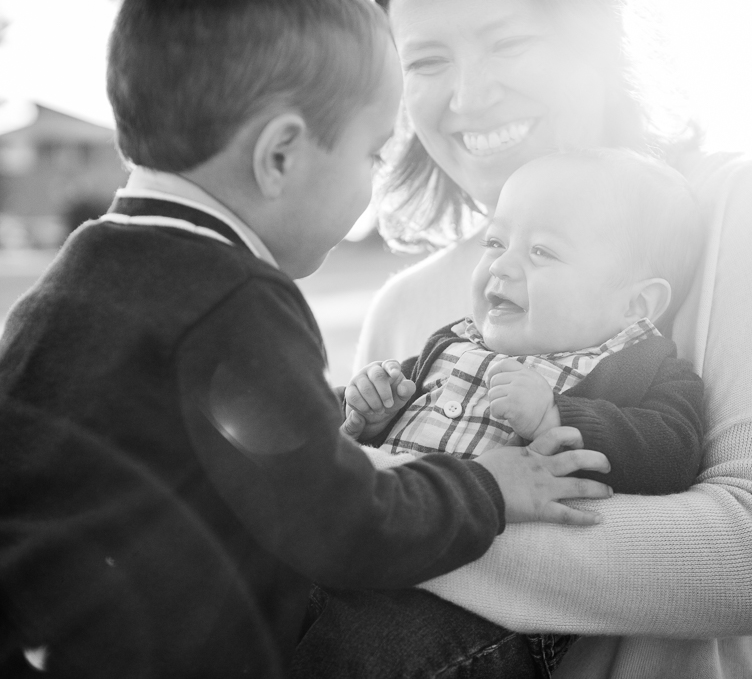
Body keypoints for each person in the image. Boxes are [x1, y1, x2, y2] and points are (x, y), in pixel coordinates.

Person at [0, 0, 619, 678]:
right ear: (280, 155)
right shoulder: (235, 297)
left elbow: (222, 448)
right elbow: (341, 522)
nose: (372, 185)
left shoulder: (92, 264)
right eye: (371, 153)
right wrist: (489, 486)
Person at [325, 0, 752, 677]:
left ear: (597, 34)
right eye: (428, 60)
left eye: (507, 44)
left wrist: (376, 509)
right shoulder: (406, 307)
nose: (469, 95)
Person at [298, 150, 707, 678]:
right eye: (495, 242)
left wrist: (556, 416)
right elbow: (356, 427)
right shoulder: (455, 341)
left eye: (541, 252)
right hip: (377, 546)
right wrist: (371, 415)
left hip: (482, 608)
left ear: (635, 305)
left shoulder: (643, 367)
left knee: (360, 657)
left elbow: (673, 452)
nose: (501, 265)